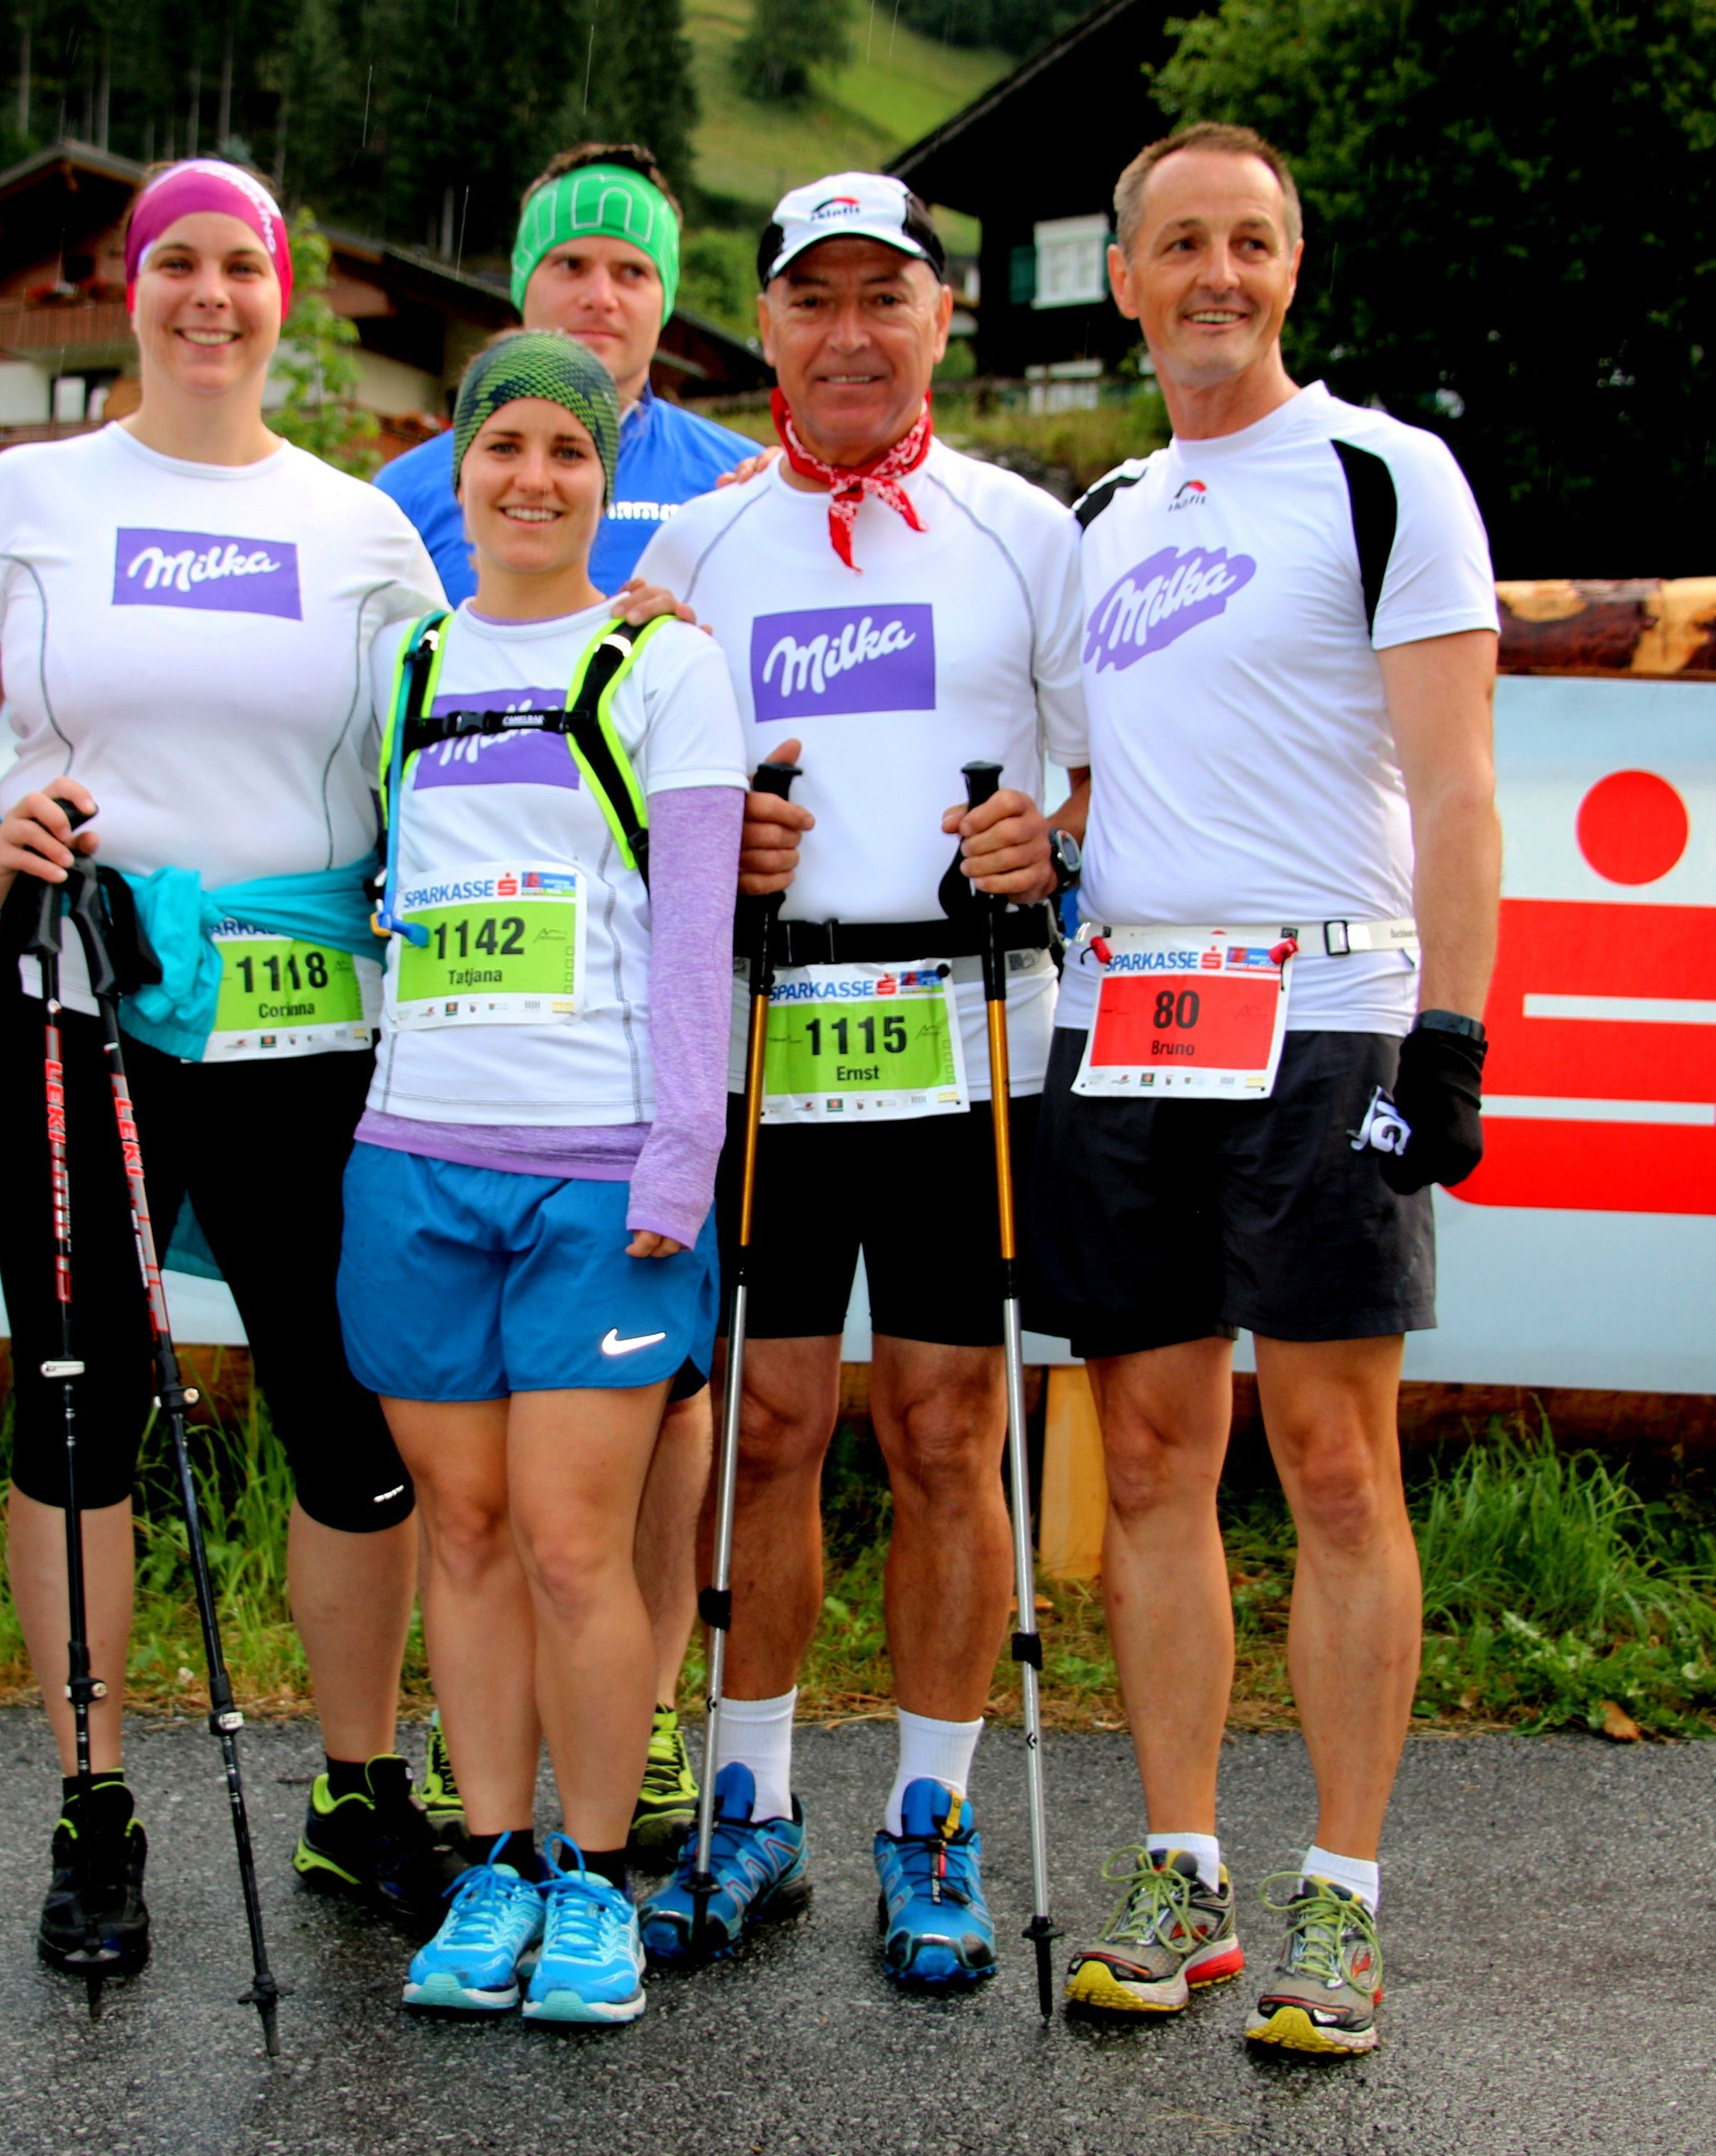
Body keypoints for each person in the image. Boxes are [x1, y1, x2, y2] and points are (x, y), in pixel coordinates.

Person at [0, 160, 458, 1979]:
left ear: (284, 297)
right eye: (177, 264)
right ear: (133, 289)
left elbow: (443, 757)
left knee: (345, 1406)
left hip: (312, 1025)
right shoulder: (25, 493)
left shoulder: (363, 527)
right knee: (82, 1405)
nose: (209, 294)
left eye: (243, 266)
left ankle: (357, 1789)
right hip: (74, 994)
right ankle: (95, 1806)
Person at [1037, 124, 1500, 2057]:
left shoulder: (1390, 477)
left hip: (1329, 1018)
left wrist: (1451, 1041)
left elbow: (1463, 785)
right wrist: (1017, 839)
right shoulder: (1109, 511)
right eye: (1180, 246)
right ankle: (1183, 1871)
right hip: (1133, 1015)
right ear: (1126, 279)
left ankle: (1348, 1895)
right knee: (1147, 1460)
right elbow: (1082, 791)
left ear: (1290, 267)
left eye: (1252, 242)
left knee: (1329, 1461)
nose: (1216, 275)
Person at [628, 173, 1089, 1988]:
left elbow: (1111, 776)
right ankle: (749, 1808)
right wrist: (704, 845)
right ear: (766, 330)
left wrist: (1049, 837)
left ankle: (931, 1820)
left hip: (970, 1029)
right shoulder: (696, 548)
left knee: (947, 1435)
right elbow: (621, 804)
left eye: (880, 297)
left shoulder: (1025, 532)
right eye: (810, 300)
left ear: (938, 320)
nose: (847, 332)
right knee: (774, 1431)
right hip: (769, 1033)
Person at [344, 331, 746, 2024]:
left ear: (605, 479)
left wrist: (680, 1156)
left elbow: (695, 937)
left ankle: (596, 1876)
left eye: (567, 455)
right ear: (457, 466)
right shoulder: (409, 663)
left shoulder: (665, 666)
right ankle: (493, 1858)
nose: (531, 479)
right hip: (415, 1149)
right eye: (502, 446)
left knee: (580, 1547)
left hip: (599, 1170)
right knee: (467, 1529)